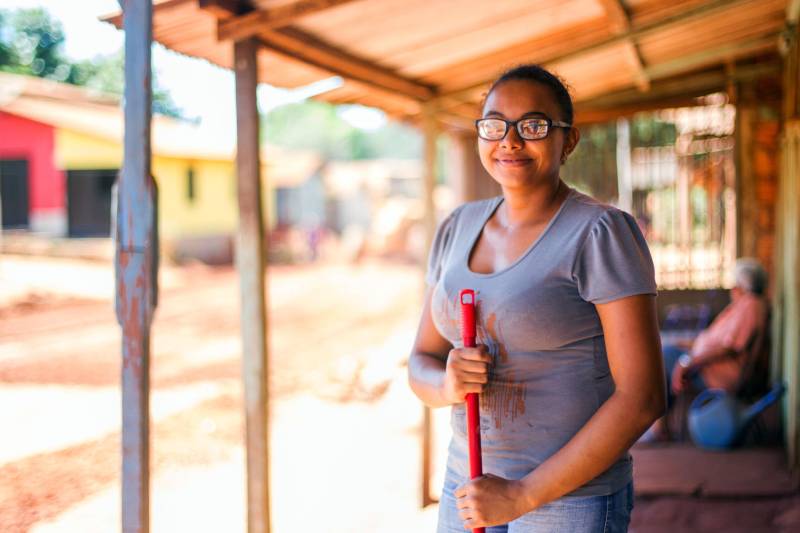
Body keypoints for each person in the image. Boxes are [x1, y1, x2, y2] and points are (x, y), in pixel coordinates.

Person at [407, 64, 665, 532]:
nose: (509, 140)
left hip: (569, 499)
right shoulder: (456, 228)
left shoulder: (601, 232)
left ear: (568, 140)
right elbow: (422, 358)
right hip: (466, 486)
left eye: (533, 126)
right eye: (495, 124)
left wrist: (522, 495)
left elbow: (643, 397)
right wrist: (447, 385)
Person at [646, 258, 770, 441]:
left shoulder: (750, 305)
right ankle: (660, 426)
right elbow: (713, 340)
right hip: (709, 365)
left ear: (741, 286)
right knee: (666, 351)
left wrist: (687, 363)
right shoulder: (742, 305)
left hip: (720, 374)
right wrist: (684, 346)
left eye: (735, 284)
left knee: (661, 359)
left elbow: (728, 348)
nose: (732, 289)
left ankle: (659, 428)